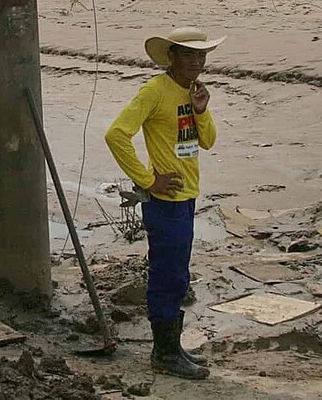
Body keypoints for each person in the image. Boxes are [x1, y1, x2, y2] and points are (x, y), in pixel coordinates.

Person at [104, 27, 224, 380]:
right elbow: (116, 135)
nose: (196, 62)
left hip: (187, 197)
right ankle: (164, 354)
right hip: (165, 201)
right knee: (167, 275)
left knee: (178, 274)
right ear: (171, 57)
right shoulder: (154, 91)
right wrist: (147, 179)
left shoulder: (193, 92)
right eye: (188, 55)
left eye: (201, 56)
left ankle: (172, 347)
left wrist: (201, 110)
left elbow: (209, 142)